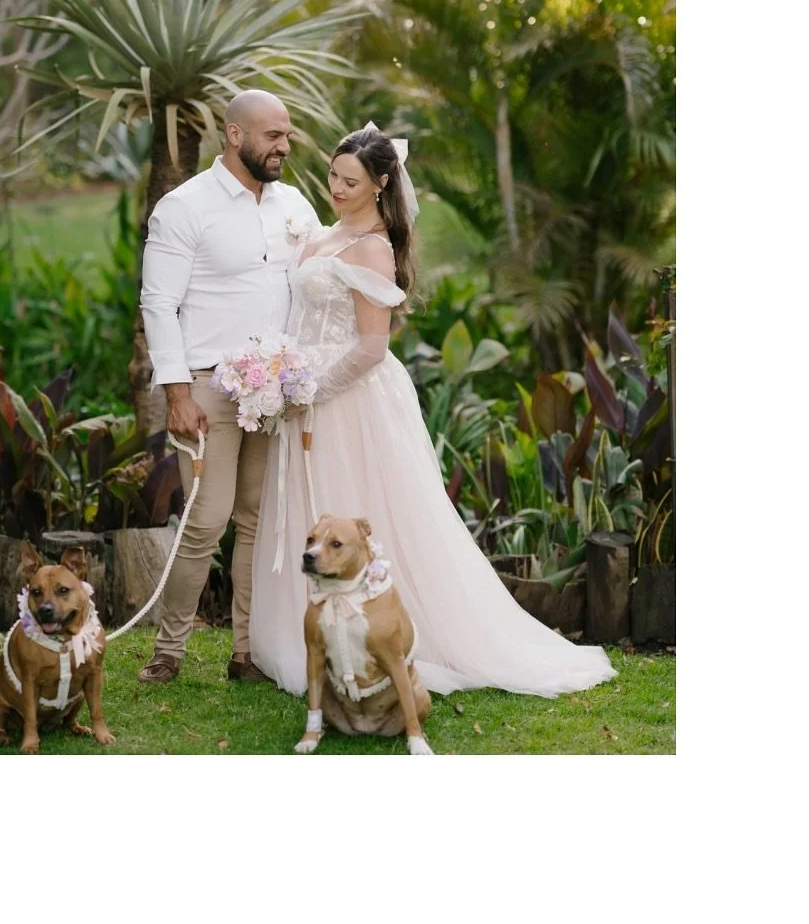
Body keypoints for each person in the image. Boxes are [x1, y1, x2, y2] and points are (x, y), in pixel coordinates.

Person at [249, 122, 618, 699]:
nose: (336, 189)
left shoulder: (372, 247)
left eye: (350, 182)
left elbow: (372, 347)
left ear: (380, 186)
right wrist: (276, 374)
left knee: (366, 509)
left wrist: (307, 390)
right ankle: (310, 634)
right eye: (332, 176)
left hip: (347, 399)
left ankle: (384, 633)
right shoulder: (323, 233)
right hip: (300, 391)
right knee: (308, 508)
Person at [136, 89, 320, 683]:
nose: (284, 147)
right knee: (207, 519)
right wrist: (176, 393)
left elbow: (317, 281)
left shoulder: (295, 204)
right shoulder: (184, 206)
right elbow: (158, 304)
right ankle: (169, 650)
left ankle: (247, 653)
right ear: (234, 135)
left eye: (287, 136)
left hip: (277, 389)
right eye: (273, 136)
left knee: (257, 519)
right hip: (207, 386)